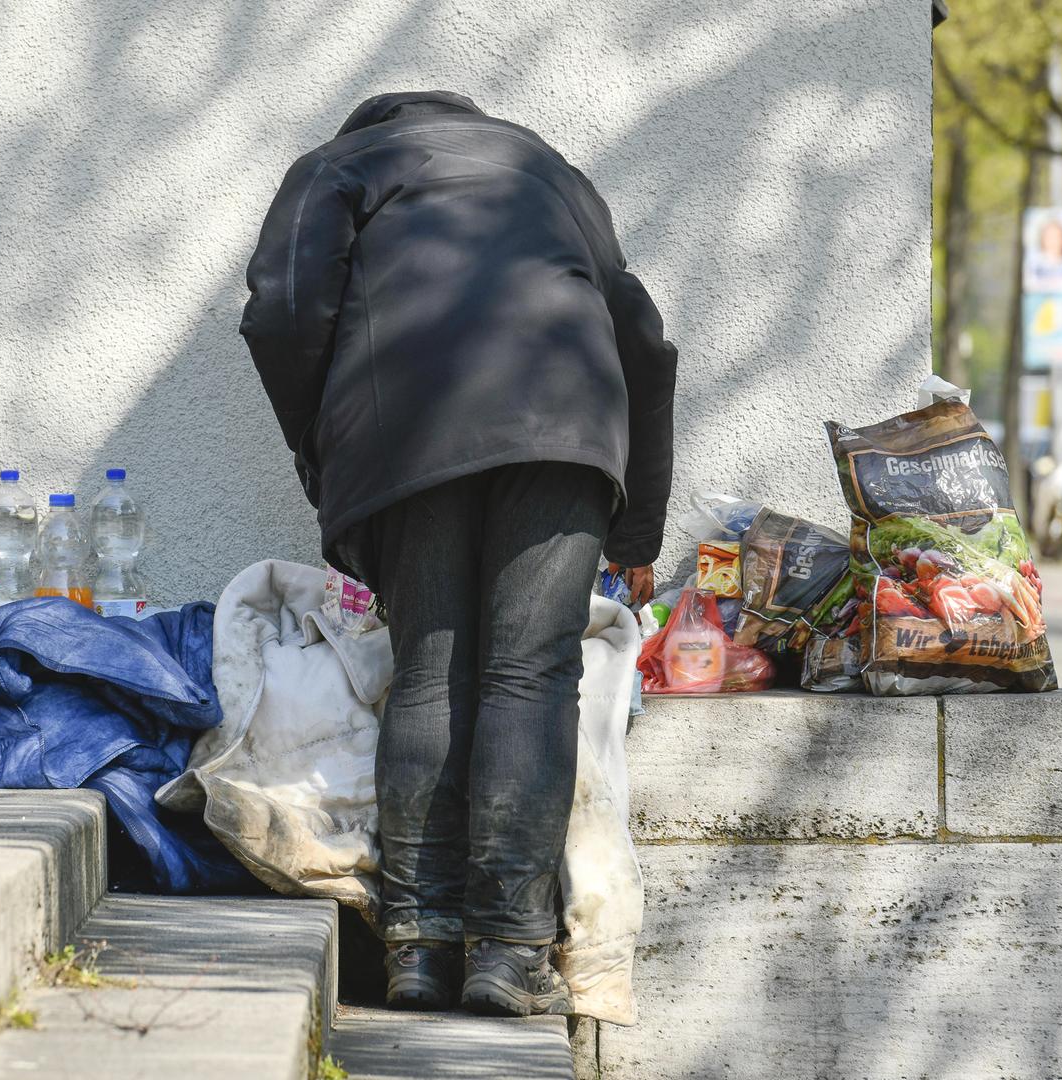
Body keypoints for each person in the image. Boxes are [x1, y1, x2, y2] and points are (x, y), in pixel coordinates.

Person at [240, 91, 677, 1017]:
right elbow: (645, 341)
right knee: (530, 676)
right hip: (568, 419)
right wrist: (638, 534)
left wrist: (321, 445)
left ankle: (421, 948)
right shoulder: (547, 168)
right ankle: (509, 955)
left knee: (429, 673)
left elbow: (281, 313)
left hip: (409, 430)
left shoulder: (340, 166)